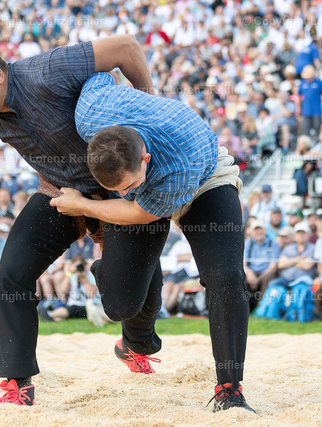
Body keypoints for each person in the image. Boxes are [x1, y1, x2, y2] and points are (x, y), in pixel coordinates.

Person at [0, 36, 159, 407]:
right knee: (10, 274)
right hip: (59, 193)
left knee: (132, 295)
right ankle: (18, 381)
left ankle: (136, 344)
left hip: (116, 190)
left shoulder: (48, 71)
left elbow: (125, 47)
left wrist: (148, 103)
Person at [50, 72, 253, 412]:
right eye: (116, 189)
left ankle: (229, 389)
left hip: (203, 180)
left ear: (145, 158)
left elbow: (138, 213)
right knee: (118, 305)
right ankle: (134, 327)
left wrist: (83, 205)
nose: (124, 193)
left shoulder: (176, 166)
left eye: (129, 186)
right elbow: (109, 57)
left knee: (225, 276)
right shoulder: (91, 111)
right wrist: (143, 87)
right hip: (150, 187)